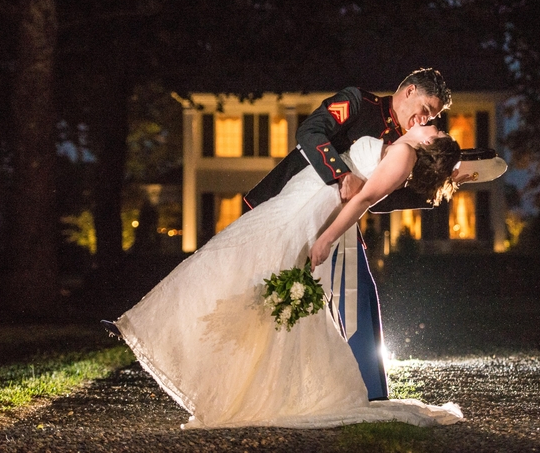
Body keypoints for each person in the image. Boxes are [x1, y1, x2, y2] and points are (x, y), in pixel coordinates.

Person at [113, 124, 464, 429]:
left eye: (439, 132)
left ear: (429, 146)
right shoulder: (402, 146)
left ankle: (158, 325)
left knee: (240, 254)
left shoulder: (404, 156)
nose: (434, 126)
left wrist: (326, 238)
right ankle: (199, 344)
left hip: (313, 205)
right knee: (240, 256)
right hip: (303, 192)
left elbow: (362, 201)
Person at [244, 68, 454, 400]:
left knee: (359, 297)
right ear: (410, 90)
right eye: (426, 110)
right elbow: (310, 132)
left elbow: (378, 200)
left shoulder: (404, 143)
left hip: (338, 221)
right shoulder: (358, 102)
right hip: (292, 205)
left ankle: (366, 392)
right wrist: (341, 175)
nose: (424, 120)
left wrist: (437, 191)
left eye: (432, 117)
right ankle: (264, 386)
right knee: (267, 299)